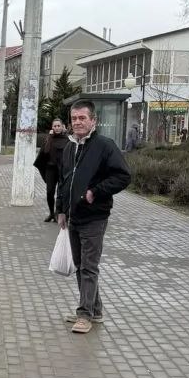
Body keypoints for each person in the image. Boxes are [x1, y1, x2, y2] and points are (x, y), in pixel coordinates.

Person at [55, 98, 131, 334]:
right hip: (73, 216)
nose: (77, 122)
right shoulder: (70, 147)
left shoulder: (105, 146)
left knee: (89, 267)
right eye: (74, 118)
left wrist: (94, 193)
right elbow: (63, 180)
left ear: (93, 121)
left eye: (82, 118)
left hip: (94, 217)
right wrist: (60, 210)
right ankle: (95, 310)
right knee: (81, 266)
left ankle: (84, 315)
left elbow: (122, 176)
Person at [33, 117, 69, 222]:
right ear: (52, 127)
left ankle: (59, 212)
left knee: (61, 192)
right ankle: (51, 213)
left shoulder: (68, 140)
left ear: (62, 127)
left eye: (59, 126)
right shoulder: (48, 139)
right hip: (50, 169)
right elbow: (42, 155)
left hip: (62, 170)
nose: (57, 128)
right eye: (55, 126)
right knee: (49, 192)